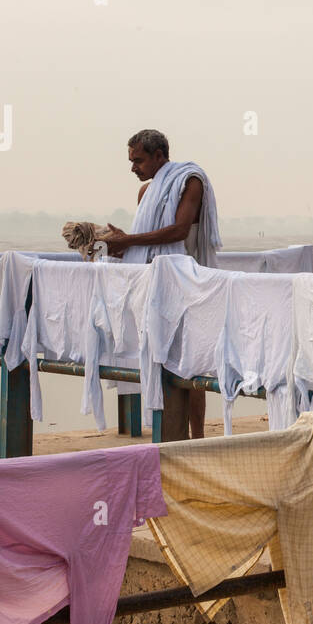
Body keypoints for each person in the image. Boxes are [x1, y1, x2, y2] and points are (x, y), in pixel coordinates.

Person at [102, 129, 221, 437]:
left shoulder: (189, 181)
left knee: (191, 363)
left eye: (138, 160)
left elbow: (179, 230)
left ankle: (198, 437)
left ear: (159, 156)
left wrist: (128, 240)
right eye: (131, 161)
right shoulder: (145, 193)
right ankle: (167, 433)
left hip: (187, 284)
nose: (133, 168)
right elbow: (145, 243)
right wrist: (116, 244)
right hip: (153, 286)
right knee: (159, 360)